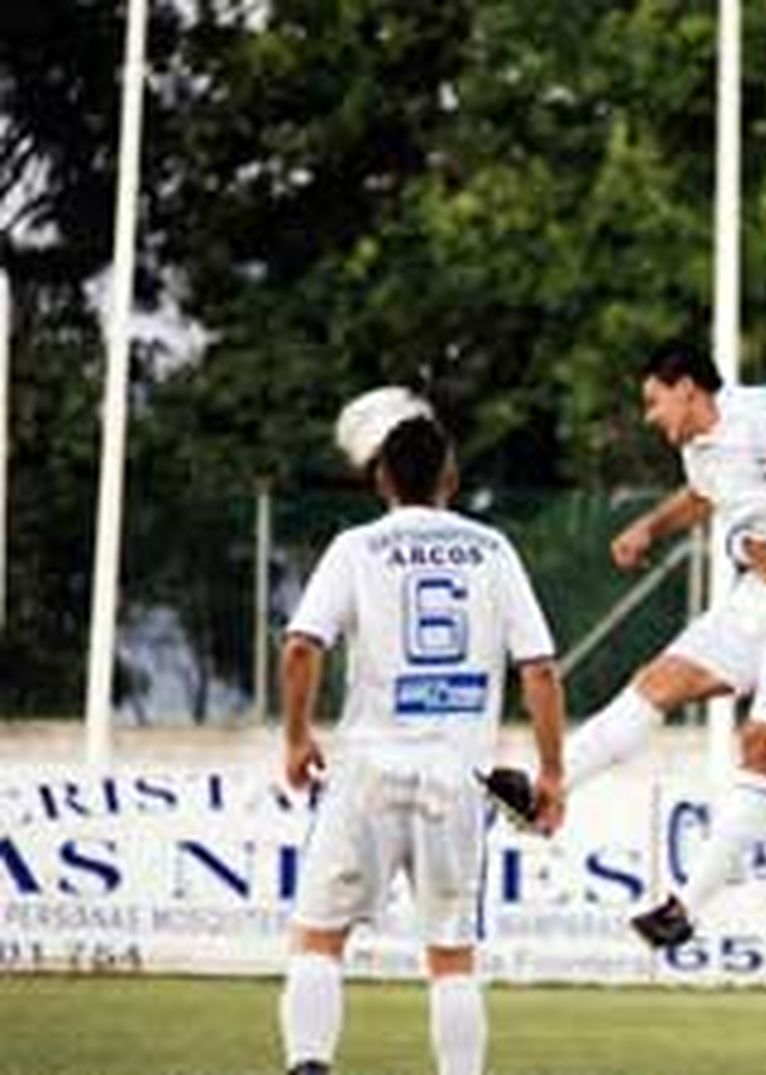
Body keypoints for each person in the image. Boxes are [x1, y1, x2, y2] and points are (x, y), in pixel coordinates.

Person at [500, 344, 766, 950]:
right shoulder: (698, 451)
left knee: (761, 747)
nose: (650, 416)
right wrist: (649, 528)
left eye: (653, 401)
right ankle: (543, 795)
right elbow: (701, 496)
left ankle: (685, 907)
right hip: (752, 595)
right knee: (656, 682)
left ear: (687, 387)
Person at [278, 393, 566, 1075]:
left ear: (382, 479)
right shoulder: (493, 547)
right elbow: (541, 668)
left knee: (319, 938)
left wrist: (295, 736)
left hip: (365, 771)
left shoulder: (355, 546)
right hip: (456, 777)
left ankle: (310, 1065)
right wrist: (551, 772)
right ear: (451, 478)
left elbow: (300, 646)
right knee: (451, 953)